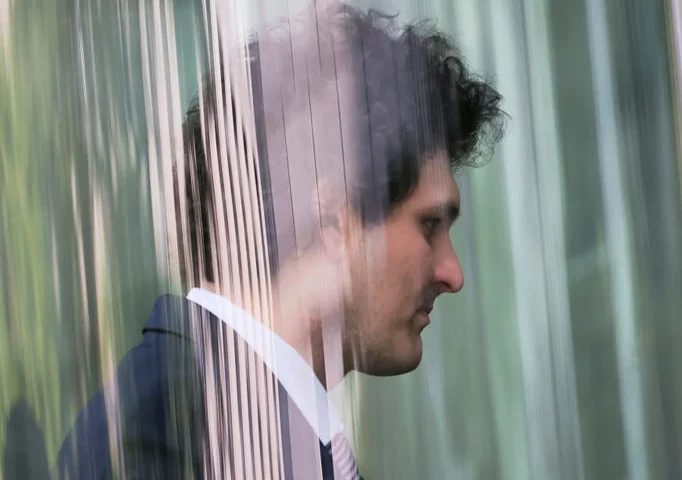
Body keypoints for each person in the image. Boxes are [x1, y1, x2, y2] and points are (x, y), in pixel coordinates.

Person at [52, 2, 506, 479]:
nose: (452, 273)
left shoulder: (221, 419)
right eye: (430, 224)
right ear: (336, 220)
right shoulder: (162, 431)